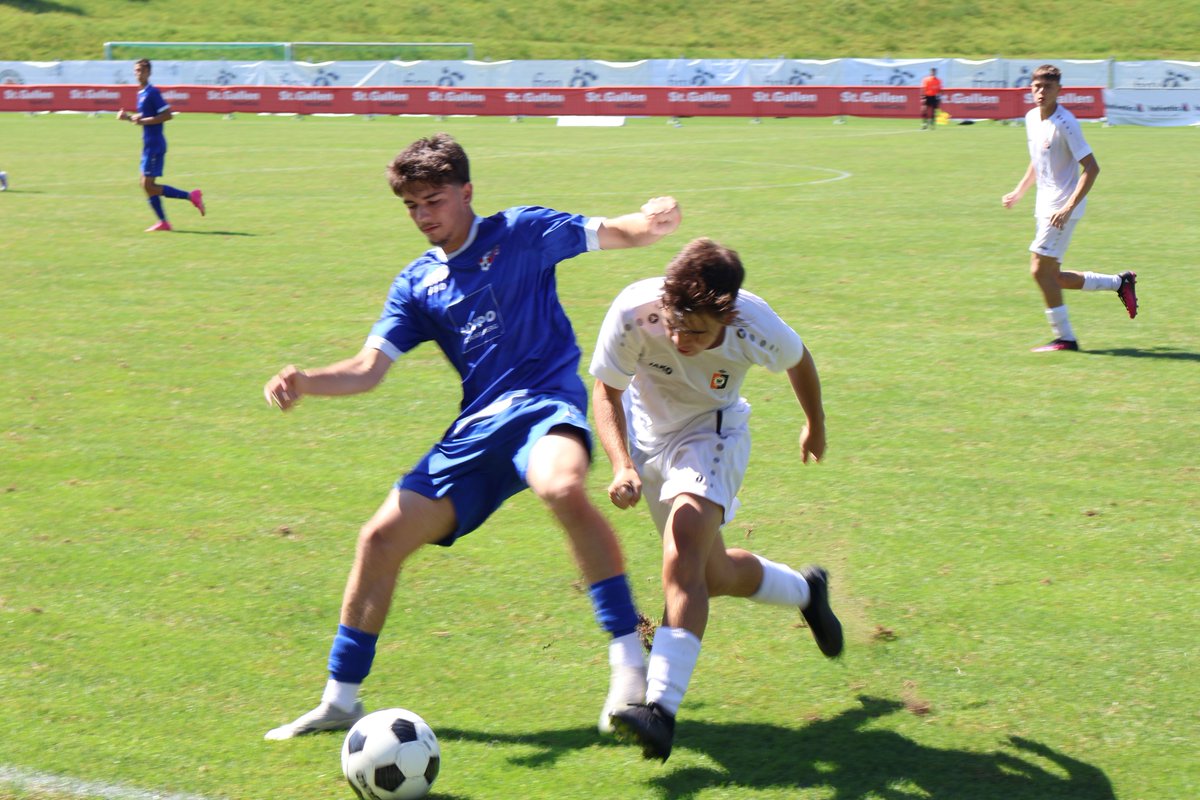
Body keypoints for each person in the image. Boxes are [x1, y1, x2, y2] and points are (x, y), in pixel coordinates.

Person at [262, 133, 682, 740]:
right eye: (411, 206)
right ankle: (340, 700)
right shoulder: (417, 284)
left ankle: (628, 667)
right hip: (476, 430)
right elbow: (367, 369)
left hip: (543, 405)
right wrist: (306, 381)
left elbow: (621, 232)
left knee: (561, 487)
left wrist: (653, 219)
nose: (423, 216)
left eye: (433, 200)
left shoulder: (524, 232)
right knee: (379, 539)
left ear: (466, 192)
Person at [589, 237, 842, 762]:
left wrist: (815, 425)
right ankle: (806, 591)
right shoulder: (634, 310)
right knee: (714, 575)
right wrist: (621, 464)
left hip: (712, 433)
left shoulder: (754, 323)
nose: (679, 338)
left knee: (683, 546)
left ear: (727, 316)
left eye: (697, 331)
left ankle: (660, 710)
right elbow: (606, 391)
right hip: (647, 441)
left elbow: (799, 361)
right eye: (674, 323)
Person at [1002, 64, 1138, 352]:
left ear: (1059, 91)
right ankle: (1120, 283)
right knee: (1053, 277)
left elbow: (1092, 167)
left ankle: (1065, 338)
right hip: (1044, 206)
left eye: (1048, 87)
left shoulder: (1066, 123)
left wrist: (1067, 207)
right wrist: (1019, 191)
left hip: (1062, 208)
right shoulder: (1031, 118)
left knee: (1039, 271)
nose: (1041, 92)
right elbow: (1038, 160)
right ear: (1031, 88)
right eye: (1037, 86)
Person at [117, 58, 205, 232]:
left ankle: (191, 196)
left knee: (148, 185)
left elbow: (167, 115)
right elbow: (144, 117)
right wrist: (127, 117)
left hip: (155, 145)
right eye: (136, 71)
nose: (138, 74)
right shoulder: (141, 93)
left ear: (149, 73)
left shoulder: (152, 92)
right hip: (148, 145)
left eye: (142, 71)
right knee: (145, 185)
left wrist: (142, 120)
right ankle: (163, 222)